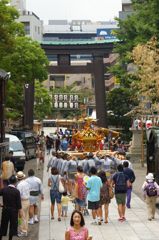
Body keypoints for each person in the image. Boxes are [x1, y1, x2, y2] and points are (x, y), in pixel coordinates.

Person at [0, 175, 23, 240]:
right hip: (14, 211)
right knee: (12, 225)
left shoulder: (4, 189)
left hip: (5, 209)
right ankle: (10, 238)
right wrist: (20, 213)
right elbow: (19, 204)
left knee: (3, 224)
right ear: (15, 182)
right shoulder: (16, 191)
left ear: (9, 181)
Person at [16, 171, 31, 237]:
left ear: (18, 178)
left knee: (21, 217)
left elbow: (18, 195)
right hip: (27, 200)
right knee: (26, 216)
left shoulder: (19, 185)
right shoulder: (27, 183)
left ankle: (23, 230)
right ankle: (25, 229)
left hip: (22, 201)